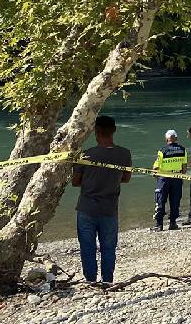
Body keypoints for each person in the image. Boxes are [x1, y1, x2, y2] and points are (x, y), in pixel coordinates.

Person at [72, 115, 131, 285]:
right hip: (109, 209)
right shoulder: (124, 154)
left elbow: (75, 182)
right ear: (114, 130)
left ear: (95, 131)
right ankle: (107, 280)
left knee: (87, 247)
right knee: (108, 248)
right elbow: (126, 178)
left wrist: (91, 179)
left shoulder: (86, 155)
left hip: (87, 208)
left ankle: (90, 280)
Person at [151, 129, 186, 231]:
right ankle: (173, 223)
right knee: (175, 200)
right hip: (177, 177)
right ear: (176, 138)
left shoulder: (162, 150)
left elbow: (156, 167)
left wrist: (155, 174)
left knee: (160, 200)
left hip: (164, 178)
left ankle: (159, 225)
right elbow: (184, 168)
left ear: (166, 139)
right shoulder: (183, 150)